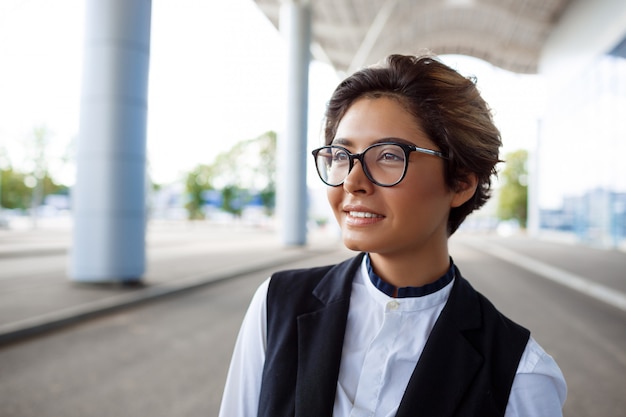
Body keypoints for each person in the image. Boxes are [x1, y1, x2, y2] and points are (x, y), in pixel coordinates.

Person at [218, 54, 566, 417]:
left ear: (461, 181)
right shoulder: (276, 306)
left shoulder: (519, 374)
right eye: (341, 154)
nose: (352, 181)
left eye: (387, 155)